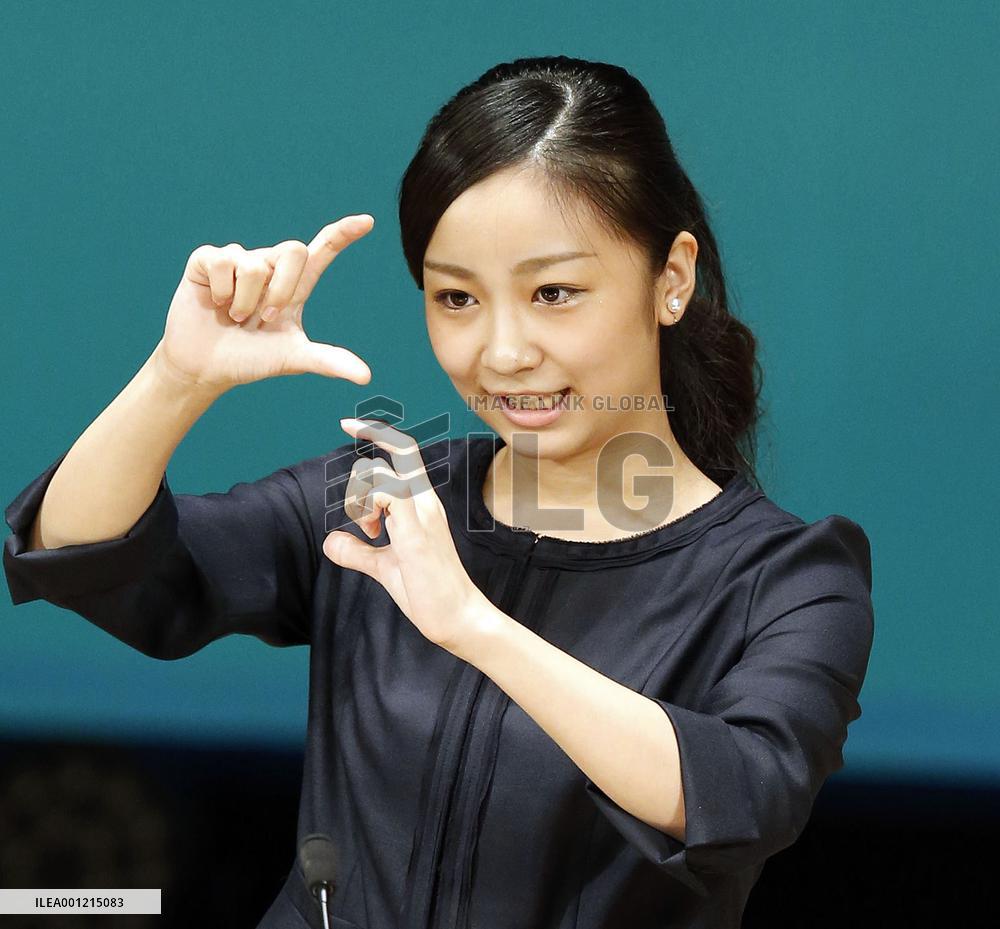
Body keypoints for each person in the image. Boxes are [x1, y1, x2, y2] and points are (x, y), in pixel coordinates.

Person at [2, 55, 875, 929]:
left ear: (671, 278)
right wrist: (176, 377)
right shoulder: (386, 495)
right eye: (456, 297)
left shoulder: (787, 578)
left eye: (554, 292)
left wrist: (474, 625)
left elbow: (743, 792)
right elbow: (86, 557)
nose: (500, 351)